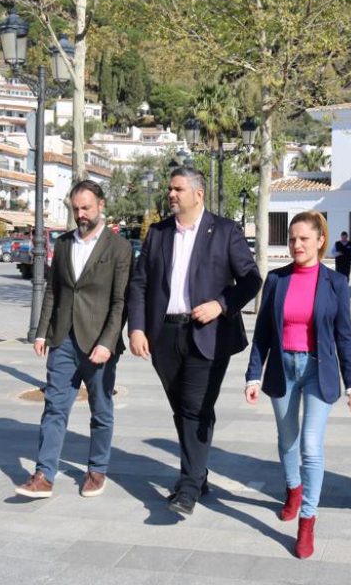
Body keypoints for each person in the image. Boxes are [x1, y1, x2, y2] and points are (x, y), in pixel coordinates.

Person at [127, 166, 262, 516]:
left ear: (198, 194)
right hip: (164, 335)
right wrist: (137, 328)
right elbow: (140, 283)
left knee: (194, 408)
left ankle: (187, 488)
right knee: (183, 409)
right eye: (169, 188)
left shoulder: (226, 231)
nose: (171, 194)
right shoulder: (158, 234)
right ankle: (199, 475)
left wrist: (221, 305)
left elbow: (251, 280)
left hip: (209, 336)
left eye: (178, 189)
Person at [244, 211, 351, 559]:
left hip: (317, 369)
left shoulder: (335, 283)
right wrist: (253, 374)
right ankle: (293, 488)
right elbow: (263, 332)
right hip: (283, 368)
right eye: (292, 239)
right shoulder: (277, 279)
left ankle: (307, 519)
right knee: (287, 439)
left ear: (320, 240)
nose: (296, 244)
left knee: (311, 444)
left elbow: (344, 336)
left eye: (304, 239)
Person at [16, 180, 132, 499]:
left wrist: (108, 342)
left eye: (86, 208)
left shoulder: (119, 248)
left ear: (101, 205)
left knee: (101, 408)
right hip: (63, 339)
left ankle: (97, 470)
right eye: (76, 208)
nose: (80, 214)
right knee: (55, 406)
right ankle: (44, 474)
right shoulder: (65, 243)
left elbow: (120, 301)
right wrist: (42, 331)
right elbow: (53, 290)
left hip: (99, 343)